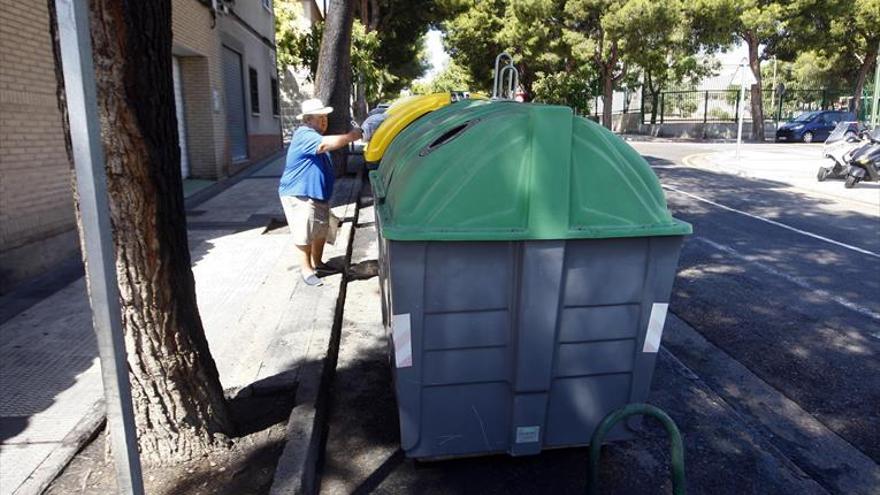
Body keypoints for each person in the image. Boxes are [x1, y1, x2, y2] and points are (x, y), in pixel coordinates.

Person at [279, 98, 362, 286]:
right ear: (308, 120)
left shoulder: (314, 135)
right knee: (305, 231)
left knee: (320, 231)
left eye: (325, 117)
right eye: (320, 118)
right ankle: (306, 270)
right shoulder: (304, 134)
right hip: (300, 194)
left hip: (316, 195)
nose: (324, 121)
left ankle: (318, 263)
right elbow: (325, 145)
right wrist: (351, 136)